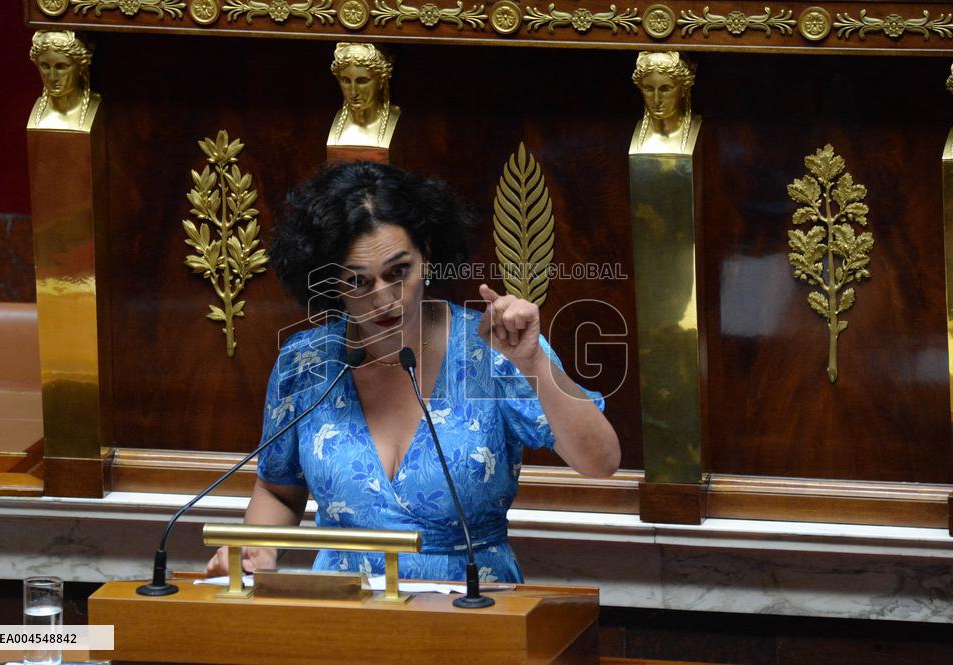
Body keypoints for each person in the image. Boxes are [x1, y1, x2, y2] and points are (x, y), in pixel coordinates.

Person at [206, 162, 620, 582]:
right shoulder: (307, 364)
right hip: (342, 617)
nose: (383, 297)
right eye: (358, 282)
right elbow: (279, 489)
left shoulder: (490, 349)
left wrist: (534, 364)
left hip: (474, 610)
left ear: (426, 254)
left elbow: (601, 462)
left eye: (397, 272)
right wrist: (257, 548)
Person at [327, 43, 401, 149]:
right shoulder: (335, 123)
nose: (353, 92)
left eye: (362, 81)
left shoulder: (395, 120)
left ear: (381, 81)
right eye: (346, 80)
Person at [28, 30, 100, 131]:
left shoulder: (95, 107)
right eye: (45, 66)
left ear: (81, 67)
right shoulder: (37, 115)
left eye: (61, 67)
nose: (52, 77)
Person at [630, 51, 698, 154]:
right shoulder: (635, 135)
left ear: (684, 89)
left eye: (665, 89)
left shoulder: (697, 130)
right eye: (649, 89)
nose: (656, 100)